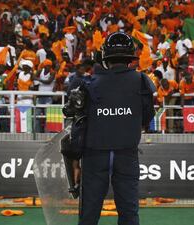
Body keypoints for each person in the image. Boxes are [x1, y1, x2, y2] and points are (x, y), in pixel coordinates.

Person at [66, 32, 155, 225]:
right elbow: (147, 117)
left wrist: (75, 161)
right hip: (126, 153)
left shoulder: (88, 83)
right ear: (131, 56)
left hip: (94, 155)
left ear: (105, 56)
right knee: (129, 212)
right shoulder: (142, 81)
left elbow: (78, 124)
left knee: (89, 213)